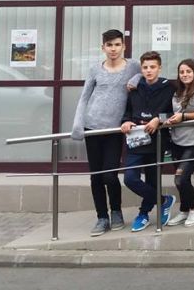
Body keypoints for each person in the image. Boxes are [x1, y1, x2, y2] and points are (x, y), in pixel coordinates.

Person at [71, 29, 140, 236]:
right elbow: (84, 97)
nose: (113, 49)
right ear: (103, 48)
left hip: (115, 129)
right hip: (92, 127)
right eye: (109, 45)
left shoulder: (133, 66)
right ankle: (102, 217)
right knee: (96, 176)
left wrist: (136, 79)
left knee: (110, 175)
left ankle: (116, 211)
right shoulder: (95, 69)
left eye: (117, 44)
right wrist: (78, 124)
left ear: (124, 46)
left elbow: (145, 75)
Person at [120, 51, 176, 232]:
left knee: (153, 180)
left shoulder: (169, 88)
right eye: (145, 67)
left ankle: (143, 214)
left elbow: (174, 113)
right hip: (136, 140)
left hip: (156, 140)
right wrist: (126, 121)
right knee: (130, 178)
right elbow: (128, 111)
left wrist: (158, 119)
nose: (149, 70)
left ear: (159, 68)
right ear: (141, 69)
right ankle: (164, 200)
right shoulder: (135, 87)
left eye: (152, 67)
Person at [165, 59, 194, 227]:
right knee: (180, 181)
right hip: (177, 140)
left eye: (188, 71)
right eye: (182, 72)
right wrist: (170, 120)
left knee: (180, 179)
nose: (185, 75)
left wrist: (184, 116)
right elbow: (174, 112)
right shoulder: (177, 92)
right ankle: (184, 209)